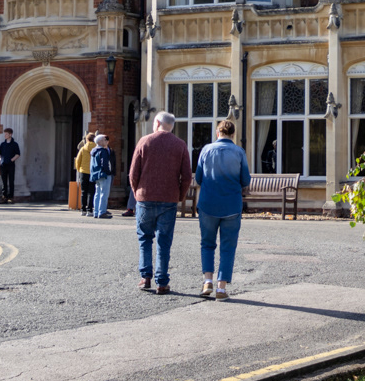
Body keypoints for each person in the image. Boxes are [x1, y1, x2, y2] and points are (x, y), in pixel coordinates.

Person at [128, 112, 192, 294]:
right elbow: (187, 176)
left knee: (145, 238)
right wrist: (179, 195)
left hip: (145, 198)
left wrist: (137, 192)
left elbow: (133, 173)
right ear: (172, 125)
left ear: (156, 122)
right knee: (164, 241)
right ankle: (162, 282)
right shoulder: (180, 145)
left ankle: (145, 277)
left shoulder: (144, 141)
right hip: (169, 198)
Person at [194, 119, 251, 300]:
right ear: (233, 134)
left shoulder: (206, 150)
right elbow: (245, 180)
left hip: (208, 204)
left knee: (207, 243)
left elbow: (199, 178)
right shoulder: (239, 152)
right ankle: (221, 287)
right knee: (228, 246)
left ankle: (207, 280)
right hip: (231, 205)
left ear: (217, 132)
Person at [90, 134, 114, 219]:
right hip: (104, 174)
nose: (106, 141)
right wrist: (108, 172)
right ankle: (102, 212)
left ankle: (96, 212)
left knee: (97, 193)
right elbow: (105, 163)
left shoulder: (94, 150)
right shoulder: (103, 151)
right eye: (104, 139)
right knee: (104, 193)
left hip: (96, 174)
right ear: (100, 141)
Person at [75, 132, 96, 217]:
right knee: (91, 192)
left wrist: (79, 169)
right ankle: (89, 210)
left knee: (83, 191)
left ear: (87, 139)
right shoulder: (96, 149)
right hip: (93, 172)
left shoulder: (83, 149)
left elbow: (78, 160)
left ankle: (83, 209)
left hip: (83, 172)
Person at [0, 128, 20, 203]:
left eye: (6, 134)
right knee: (4, 181)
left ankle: (11, 197)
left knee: (11, 181)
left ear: (10, 134)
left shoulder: (14, 144)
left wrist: (11, 160)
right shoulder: (2, 144)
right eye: (5, 134)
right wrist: (0, 159)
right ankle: (4, 196)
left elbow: (18, 154)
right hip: (3, 165)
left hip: (10, 165)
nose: (5, 135)